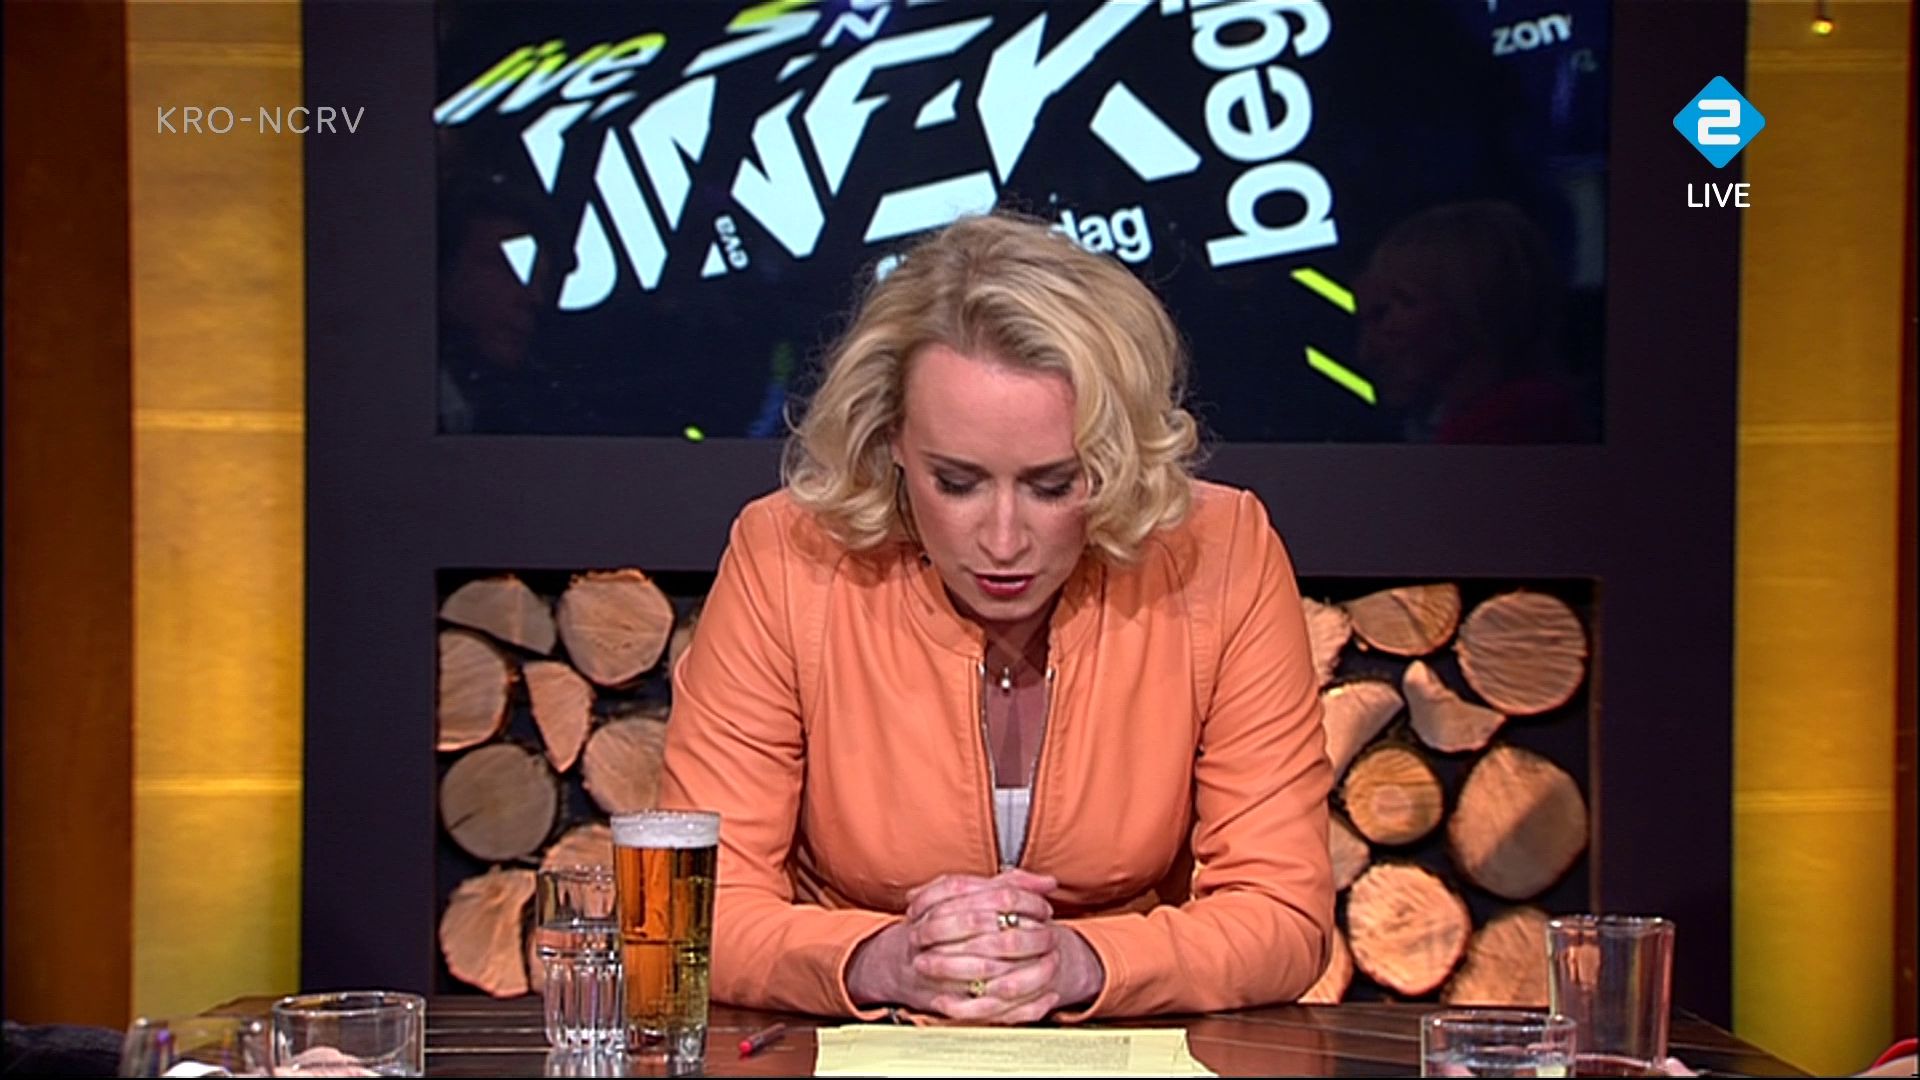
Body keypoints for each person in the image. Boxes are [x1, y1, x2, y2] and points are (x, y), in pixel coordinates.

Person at [657, 211, 1334, 1024]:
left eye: (1054, 485)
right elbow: (697, 907)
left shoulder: (1220, 553)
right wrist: (881, 961)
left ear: (1116, 455)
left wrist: (1081, 964)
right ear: (891, 438)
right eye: (957, 482)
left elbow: (1281, 911)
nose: (1004, 540)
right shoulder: (786, 558)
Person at [1353, 200, 1595, 444]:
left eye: (1399, 305)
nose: (1368, 352)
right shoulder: (1447, 420)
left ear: (1475, 308)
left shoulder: (1513, 423)